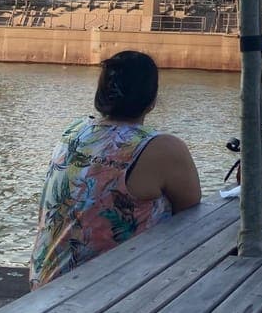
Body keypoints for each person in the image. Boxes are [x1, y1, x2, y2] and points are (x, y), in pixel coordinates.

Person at [29, 51, 201, 288]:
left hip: (45, 283)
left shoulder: (74, 131)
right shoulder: (162, 148)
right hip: (103, 295)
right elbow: (191, 212)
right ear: (151, 100)